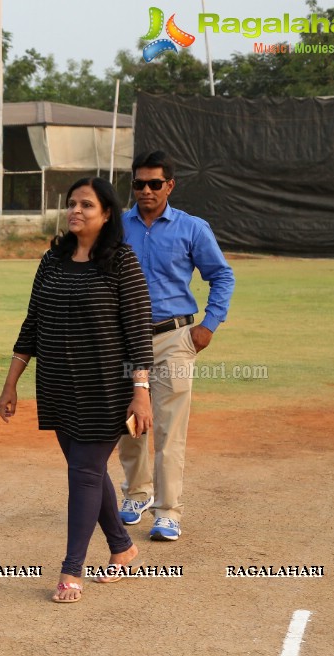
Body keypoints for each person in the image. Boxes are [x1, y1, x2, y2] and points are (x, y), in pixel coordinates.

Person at [0, 177, 153, 603]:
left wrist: (141, 391)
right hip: (58, 386)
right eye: (72, 204)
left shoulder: (122, 262)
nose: (76, 211)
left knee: (83, 472)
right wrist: (11, 381)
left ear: (107, 214)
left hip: (106, 388)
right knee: (90, 472)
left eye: (87, 205)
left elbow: (139, 333)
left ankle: (71, 570)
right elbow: (32, 323)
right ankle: (123, 548)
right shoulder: (53, 260)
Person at [117, 151, 236, 541]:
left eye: (154, 183)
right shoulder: (117, 228)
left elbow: (221, 275)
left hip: (174, 338)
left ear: (170, 185)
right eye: (139, 184)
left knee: (169, 429)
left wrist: (209, 326)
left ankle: (168, 511)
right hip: (124, 340)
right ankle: (137, 494)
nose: (146, 191)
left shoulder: (192, 228)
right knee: (130, 423)